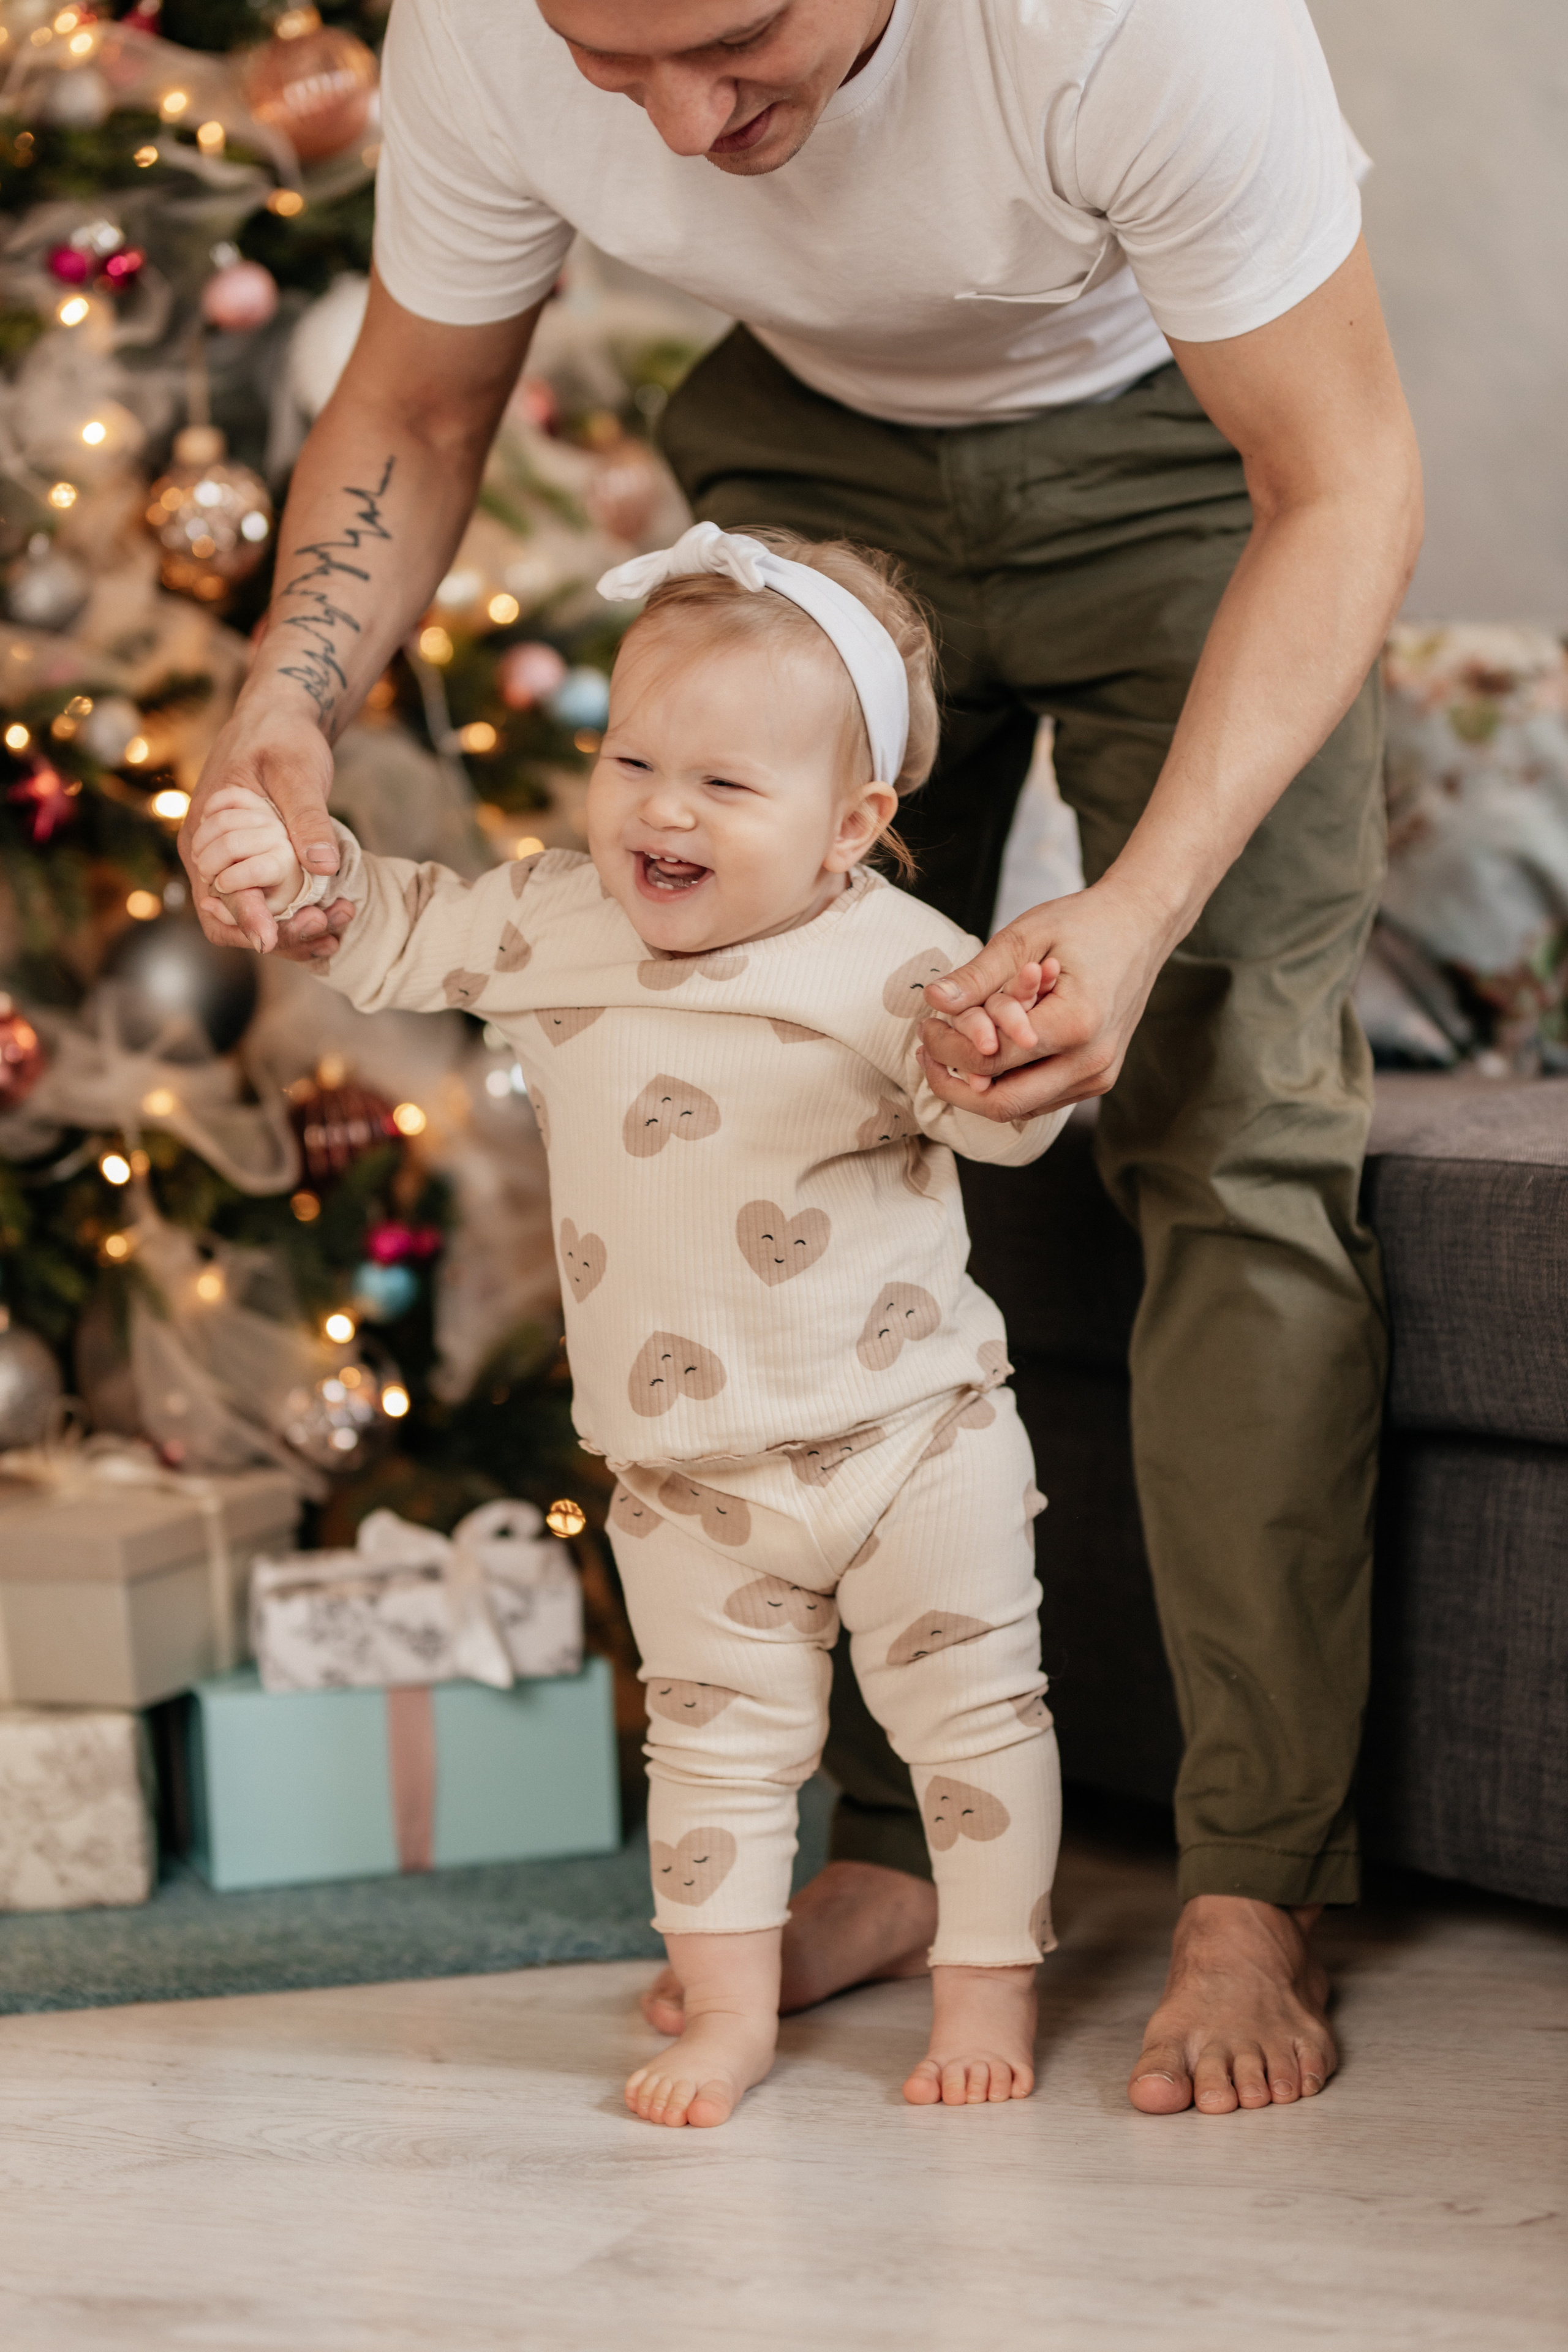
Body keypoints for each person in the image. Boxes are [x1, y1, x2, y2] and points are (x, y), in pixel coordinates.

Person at [180, 0, 1423, 2117]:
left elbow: (1343, 474)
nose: (681, 123)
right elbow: (420, 390)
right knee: (791, 1072)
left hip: (1187, 458)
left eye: (735, 38)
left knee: (1232, 1131)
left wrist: (1128, 925)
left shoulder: (1136, 26)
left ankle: (1253, 1883)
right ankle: (856, 1858)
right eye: (611, 60)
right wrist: (291, 689)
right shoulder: (489, 23)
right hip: (811, 480)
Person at [192, 522, 1071, 2125]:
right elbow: (390, 927)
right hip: (682, 1472)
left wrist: (991, 1052)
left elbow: (1011, 1122)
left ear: (850, 826)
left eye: (727, 788)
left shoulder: (901, 963)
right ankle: (731, 2016)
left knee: (975, 1720)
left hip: (910, 1438)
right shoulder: (557, 925)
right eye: (634, 759)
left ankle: (987, 1985)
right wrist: (291, 878)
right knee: (713, 1752)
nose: (662, 809)